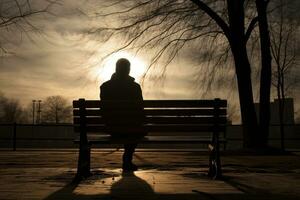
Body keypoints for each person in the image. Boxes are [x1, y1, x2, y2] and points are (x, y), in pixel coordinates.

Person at [100, 58, 146, 171]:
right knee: (135, 130)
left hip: (113, 128)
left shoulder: (105, 86)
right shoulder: (135, 87)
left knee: (131, 129)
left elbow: (103, 110)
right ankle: (127, 159)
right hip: (132, 128)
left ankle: (127, 160)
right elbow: (140, 109)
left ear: (116, 69)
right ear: (128, 70)